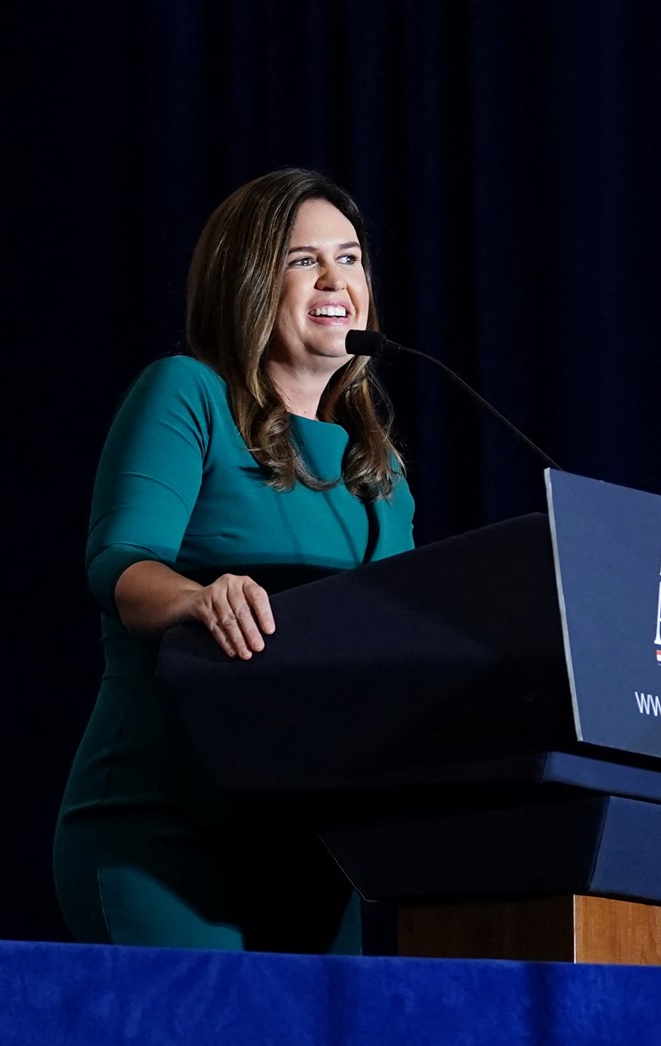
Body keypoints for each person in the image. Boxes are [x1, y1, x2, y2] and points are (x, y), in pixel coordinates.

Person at [53, 168, 415, 952]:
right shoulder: (188, 395)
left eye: (350, 258)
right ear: (250, 279)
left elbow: (407, 640)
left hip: (315, 854)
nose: (335, 280)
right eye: (302, 259)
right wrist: (197, 598)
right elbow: (119, 563)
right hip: (164, 832)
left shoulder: (379, 473)